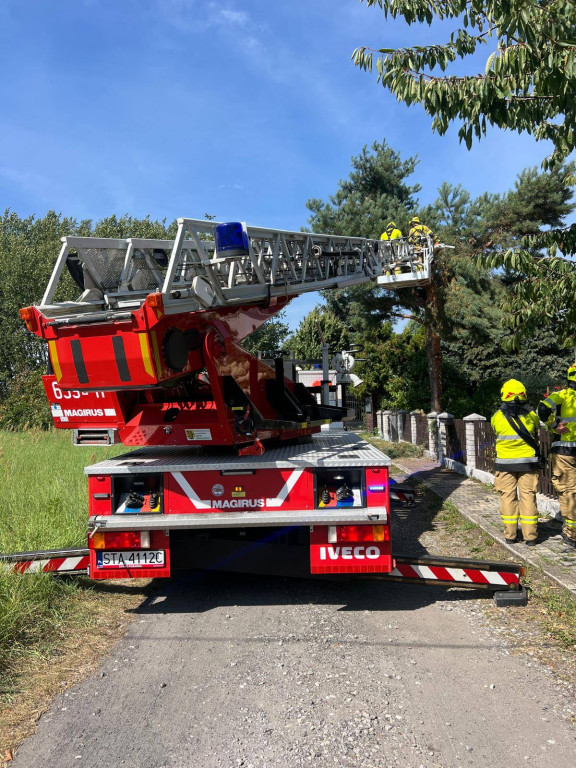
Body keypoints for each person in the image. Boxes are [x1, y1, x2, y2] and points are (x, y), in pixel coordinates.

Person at [491, 379, 541, 545]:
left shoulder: (497, 417)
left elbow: (496, 430)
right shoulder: (532, 415)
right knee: (528, 497)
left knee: (508, 498)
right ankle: (531, 537)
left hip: (505, 465)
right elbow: (536, 429)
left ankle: (510, 536)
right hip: (528, 463)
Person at [538, 364, 576, 549]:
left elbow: (542, 409)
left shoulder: (562, 395)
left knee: (569, 491)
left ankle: (571, 534)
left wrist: (554, 425)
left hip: (564, 451)